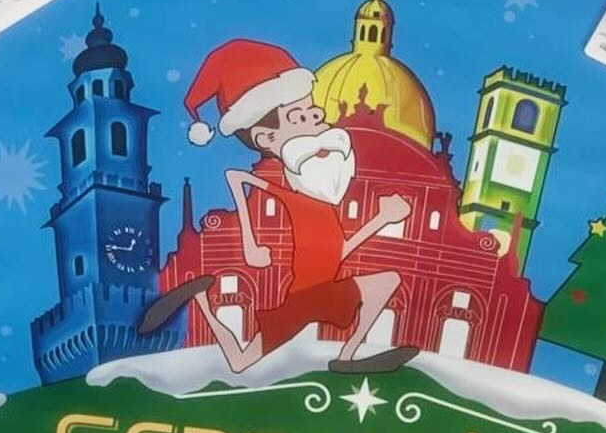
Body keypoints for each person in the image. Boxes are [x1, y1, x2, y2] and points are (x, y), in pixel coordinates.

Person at [138, 38, 417, 376]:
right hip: (303, 299)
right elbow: (236, 177)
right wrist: (250, 244)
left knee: (387, 281)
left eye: (313, 112)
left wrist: (380, 220)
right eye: (300, 117)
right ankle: (200, 300)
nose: (318, 118)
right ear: (267, 139)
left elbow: (339, 250)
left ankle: (347, 357)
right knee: (241, 362)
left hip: (323, 290)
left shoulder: (320, 197)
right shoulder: (297, 197)